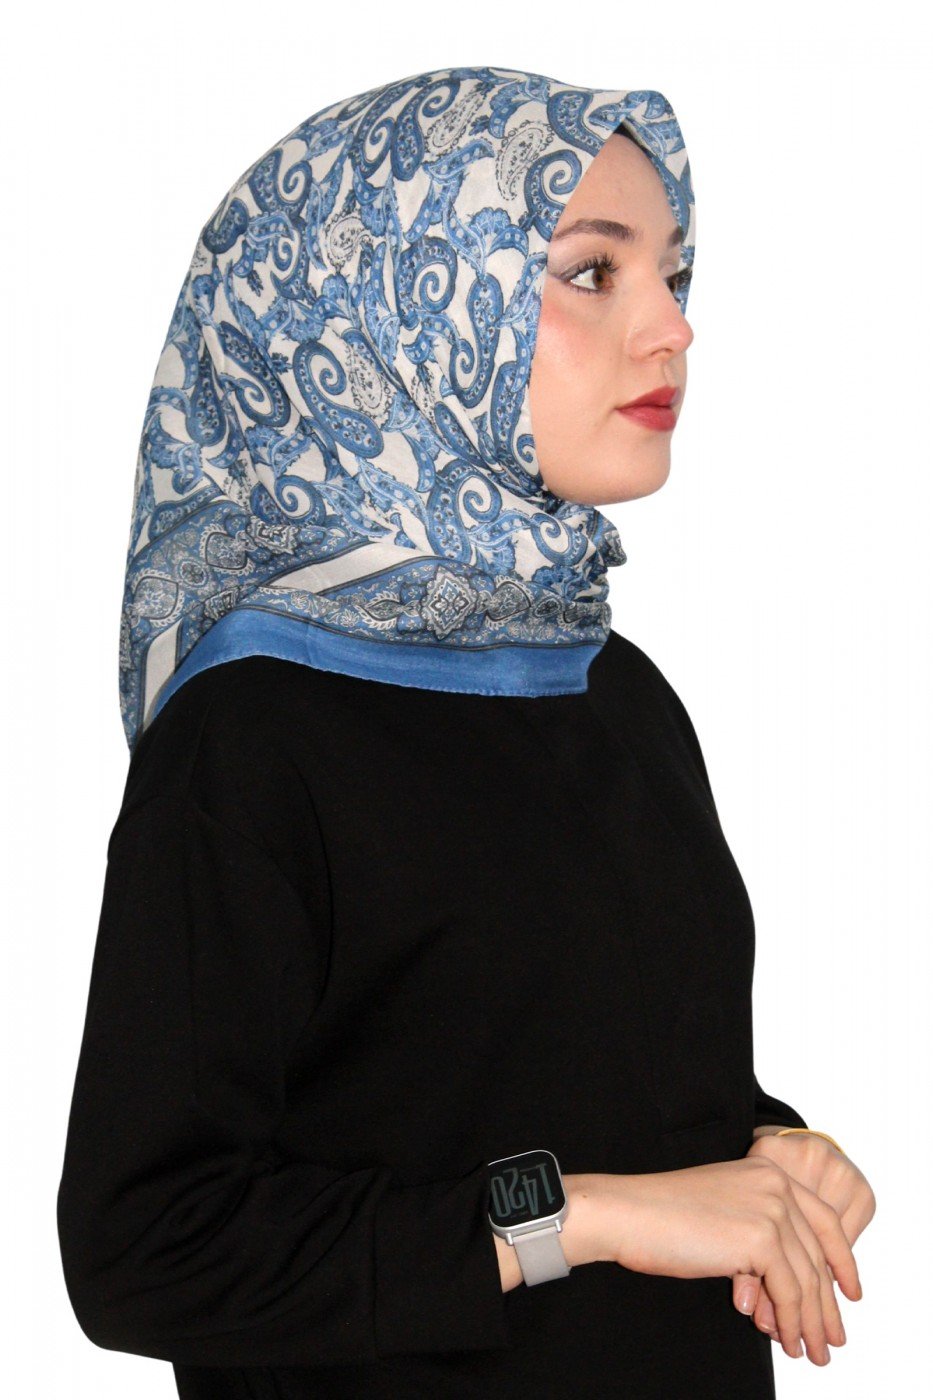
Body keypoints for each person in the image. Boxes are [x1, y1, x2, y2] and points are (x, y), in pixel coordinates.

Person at [56, 64, 876, 1399]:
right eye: (592, 273)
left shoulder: (611, 694)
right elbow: (149, 1244)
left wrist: (762, 1148)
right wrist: (581, 1218)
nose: (672, 329)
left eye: (673, 273)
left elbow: (524, 1076)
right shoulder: (253, 738)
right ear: (399, 310)